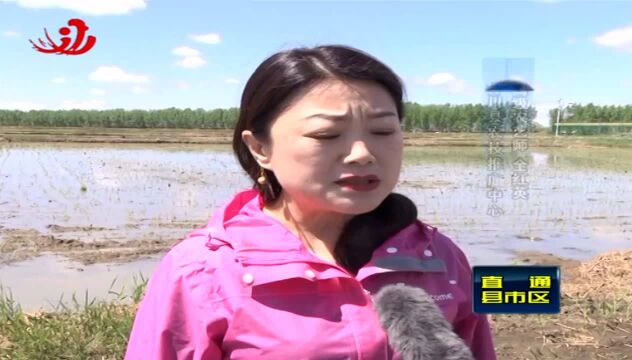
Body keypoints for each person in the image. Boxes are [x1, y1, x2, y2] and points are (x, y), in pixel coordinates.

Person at [124, 44, 497, 360]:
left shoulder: (439, 257)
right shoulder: (203, 272)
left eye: (383, 130)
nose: (362, 154)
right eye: (326, 134)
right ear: (260, 148)